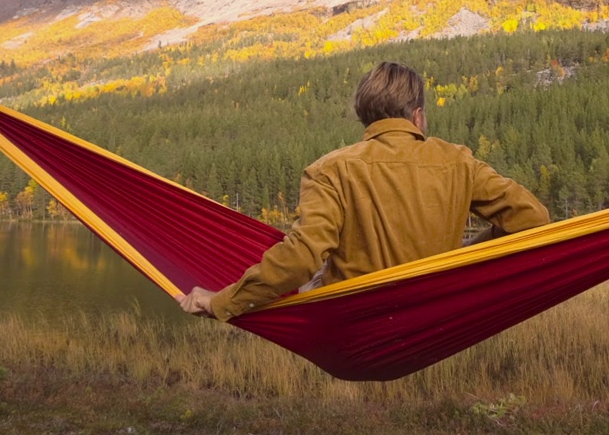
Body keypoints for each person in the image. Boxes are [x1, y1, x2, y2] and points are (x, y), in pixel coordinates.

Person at [181, 61, 549, 321]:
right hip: (433, 309)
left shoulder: (331, 169)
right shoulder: (459, 161)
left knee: (312, 278)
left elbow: (301, 257)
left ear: (364, 115)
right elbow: (533, 219)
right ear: (417, 115)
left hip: (354, 318)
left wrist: (223, 301)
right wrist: (459, 257)